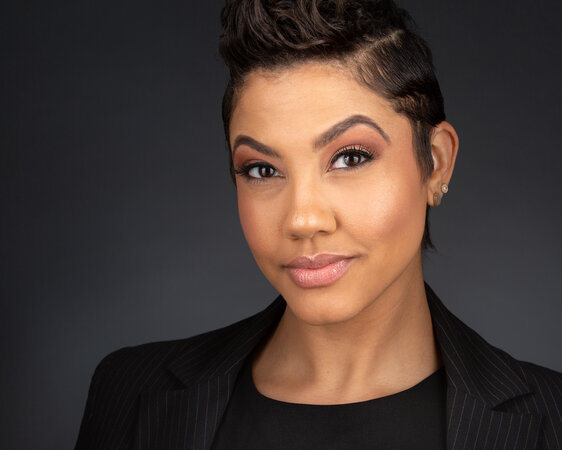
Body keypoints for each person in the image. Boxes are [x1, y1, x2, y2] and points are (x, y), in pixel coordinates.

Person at [75, 0, 562, 448]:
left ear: (435, 163)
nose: (303, 219)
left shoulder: (551, 419)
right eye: (262, 169)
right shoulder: (129, 392)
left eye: (350, 157)